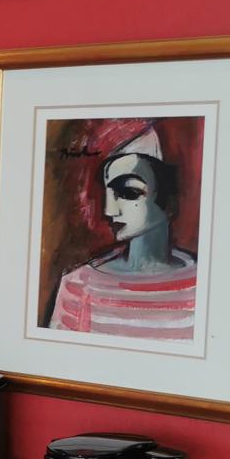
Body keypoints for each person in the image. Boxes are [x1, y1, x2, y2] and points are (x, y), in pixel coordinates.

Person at [49, 125, 198, 340]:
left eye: (129, 192)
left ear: (169, 202)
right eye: (108, 193)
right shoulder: (80, 284)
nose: (110, 210)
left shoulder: (204, 284)